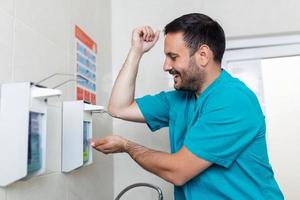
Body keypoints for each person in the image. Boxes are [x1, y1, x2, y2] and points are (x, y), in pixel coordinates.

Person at [90, 13, 284, 199]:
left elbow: (178, 171)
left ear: (203, 55)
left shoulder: (234, 100)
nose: (166, 66)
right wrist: (137, 50)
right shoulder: (180, 99)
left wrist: (128, 146)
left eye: (173, 56)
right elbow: (118, 108)